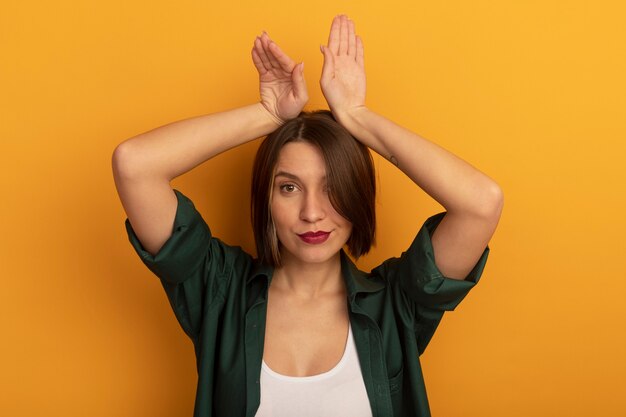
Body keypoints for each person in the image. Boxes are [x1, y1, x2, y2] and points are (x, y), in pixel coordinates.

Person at [112, 14, 503, 417]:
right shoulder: (220, 293)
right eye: (289, 187)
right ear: (266, 198)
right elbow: (135, 165)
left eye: (332, 187)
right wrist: (268, 115)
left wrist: (357, 116)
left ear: (358, 196)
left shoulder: (395, 304)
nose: (312, 212)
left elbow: (481, 203)